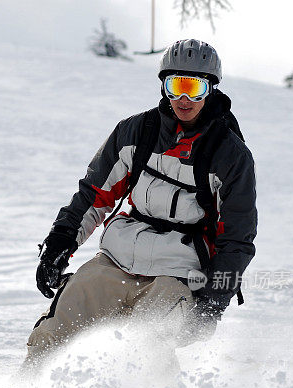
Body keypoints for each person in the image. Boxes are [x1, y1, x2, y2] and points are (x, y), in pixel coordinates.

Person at [26, 39, 257, 364]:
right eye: (175, 86)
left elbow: (237, 239)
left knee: (146, 350)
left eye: (195, 88)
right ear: (164, 86)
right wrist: (59, 243)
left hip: (178, 272)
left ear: (211, 89)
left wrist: (212, 304)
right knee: (59, 325)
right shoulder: (136, 132)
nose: (184, 99)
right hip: (117, 258)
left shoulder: (230, 156)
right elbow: (94, 195)